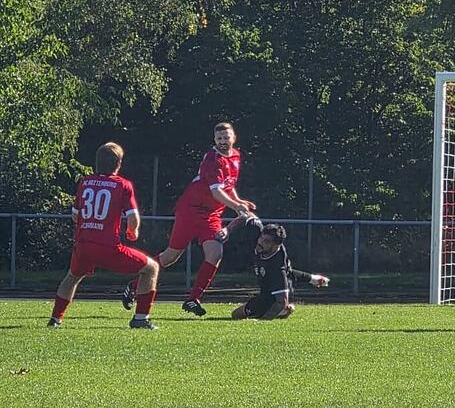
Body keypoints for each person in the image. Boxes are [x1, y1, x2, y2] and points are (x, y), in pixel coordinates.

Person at [122, 122, 256, 316]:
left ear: (234, 137)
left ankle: (193, 299)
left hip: (211, 215)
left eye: (226, 137)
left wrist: (238, 200)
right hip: (190, 211)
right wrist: (236, 207)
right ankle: (133, 286)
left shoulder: (235, 156)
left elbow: (228, 185)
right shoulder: (212, 159)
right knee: (170, 257)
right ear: (214, 140)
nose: (223, 141)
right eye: (219, 138)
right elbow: (216, 190)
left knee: (215, 253)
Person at [49, 143, 159, 329]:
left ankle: (55, 319)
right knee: (151, 268)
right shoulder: (123, 185)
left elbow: (75, 215)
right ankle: (141, 318)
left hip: (84, 243)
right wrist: (133, 231)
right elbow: (133, 217)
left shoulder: (85, 182)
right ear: (118, 163)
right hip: (108, 245)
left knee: (71, 277)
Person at [227, 218, 330, 320]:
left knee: (236, 315)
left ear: (276, 245)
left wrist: (262, 321)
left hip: (271, 297)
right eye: (261, 238)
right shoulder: (259, 237)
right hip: (272, 287)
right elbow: (248, 216)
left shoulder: (276, 267)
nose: (260, 242)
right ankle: (283, 310)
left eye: (266, 241)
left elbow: (281, 301)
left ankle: (281, 310)